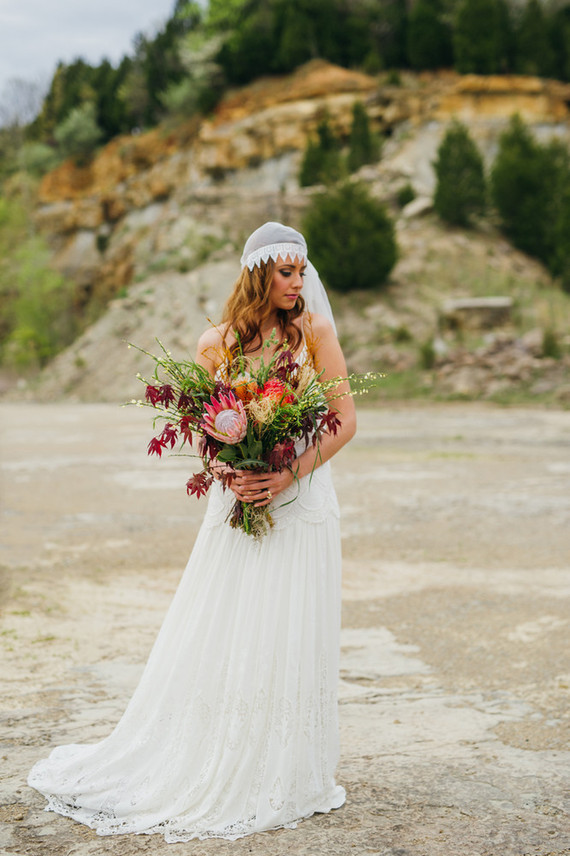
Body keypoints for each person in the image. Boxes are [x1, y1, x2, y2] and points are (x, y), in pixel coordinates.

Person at [28, 222, 356, 843]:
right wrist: (231, 470)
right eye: (286, 272)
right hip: (239, 498)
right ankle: (222, 751)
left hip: (302, 498)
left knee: (292, 622)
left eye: (302, 271)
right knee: (234, 621)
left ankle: (288, 767)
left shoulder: (314, 332)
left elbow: (345, 419)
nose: (299, 282)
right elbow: (206, 429)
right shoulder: (217, 342)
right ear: (258, 275)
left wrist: (288, 474)